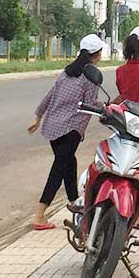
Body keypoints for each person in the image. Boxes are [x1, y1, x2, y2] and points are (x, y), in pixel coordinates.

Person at [28, 33, 105, 230]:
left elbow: (51, 93)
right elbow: (89, 104)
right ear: (96, 54)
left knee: (69, 163)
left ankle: (75, 204)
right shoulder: (90, 76)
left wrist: (38, 116)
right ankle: (39, 215)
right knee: (59, 168)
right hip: (70, 128)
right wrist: (106, 108)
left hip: (53, 127)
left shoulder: (67, 71)